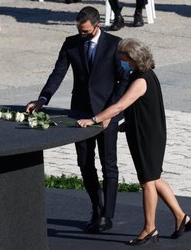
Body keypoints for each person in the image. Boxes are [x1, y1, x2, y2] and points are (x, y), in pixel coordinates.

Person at [77, 38, 191, 245]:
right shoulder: (143, 75)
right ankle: (182, 217)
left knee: (147, 181)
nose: (122, 62)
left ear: (134, 58)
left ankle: (150, 229)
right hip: (147, 131)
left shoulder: (140, 81)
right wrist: (128, 123)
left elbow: (120, 106)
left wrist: (94, 119)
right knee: (154, 178)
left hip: (146, 136)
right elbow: (142, 108)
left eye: (124, 59)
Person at [25, 6, 128, 233]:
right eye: (79, 30)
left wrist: (111, 112)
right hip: (80, 113)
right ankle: (96, 207)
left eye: (85, 31)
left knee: (108, 164)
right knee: (84, 162)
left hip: (106, 115)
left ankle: (107, 215)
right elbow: (58, 72)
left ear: (97, 25)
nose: (81, 35)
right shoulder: (71, 43)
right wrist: (43, 99)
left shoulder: (115, 44)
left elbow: (123, 81)